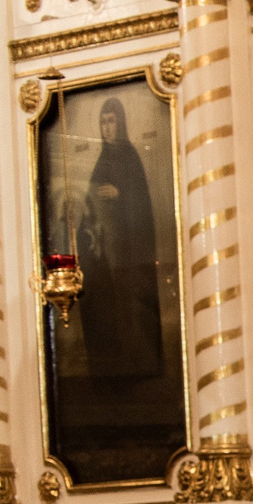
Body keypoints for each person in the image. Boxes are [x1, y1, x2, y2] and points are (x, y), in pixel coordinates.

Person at [70, 97, 164, 378]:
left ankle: (140, 366)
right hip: (106, 253)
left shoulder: (130, 156)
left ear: (120, 123)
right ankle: (110, 369)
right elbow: (91, 205)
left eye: (112, 121)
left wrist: (120, 194)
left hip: (129, 253)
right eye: (103, 121)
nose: (108, 128)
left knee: (132, 309)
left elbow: (141, 204)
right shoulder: (102, 159)